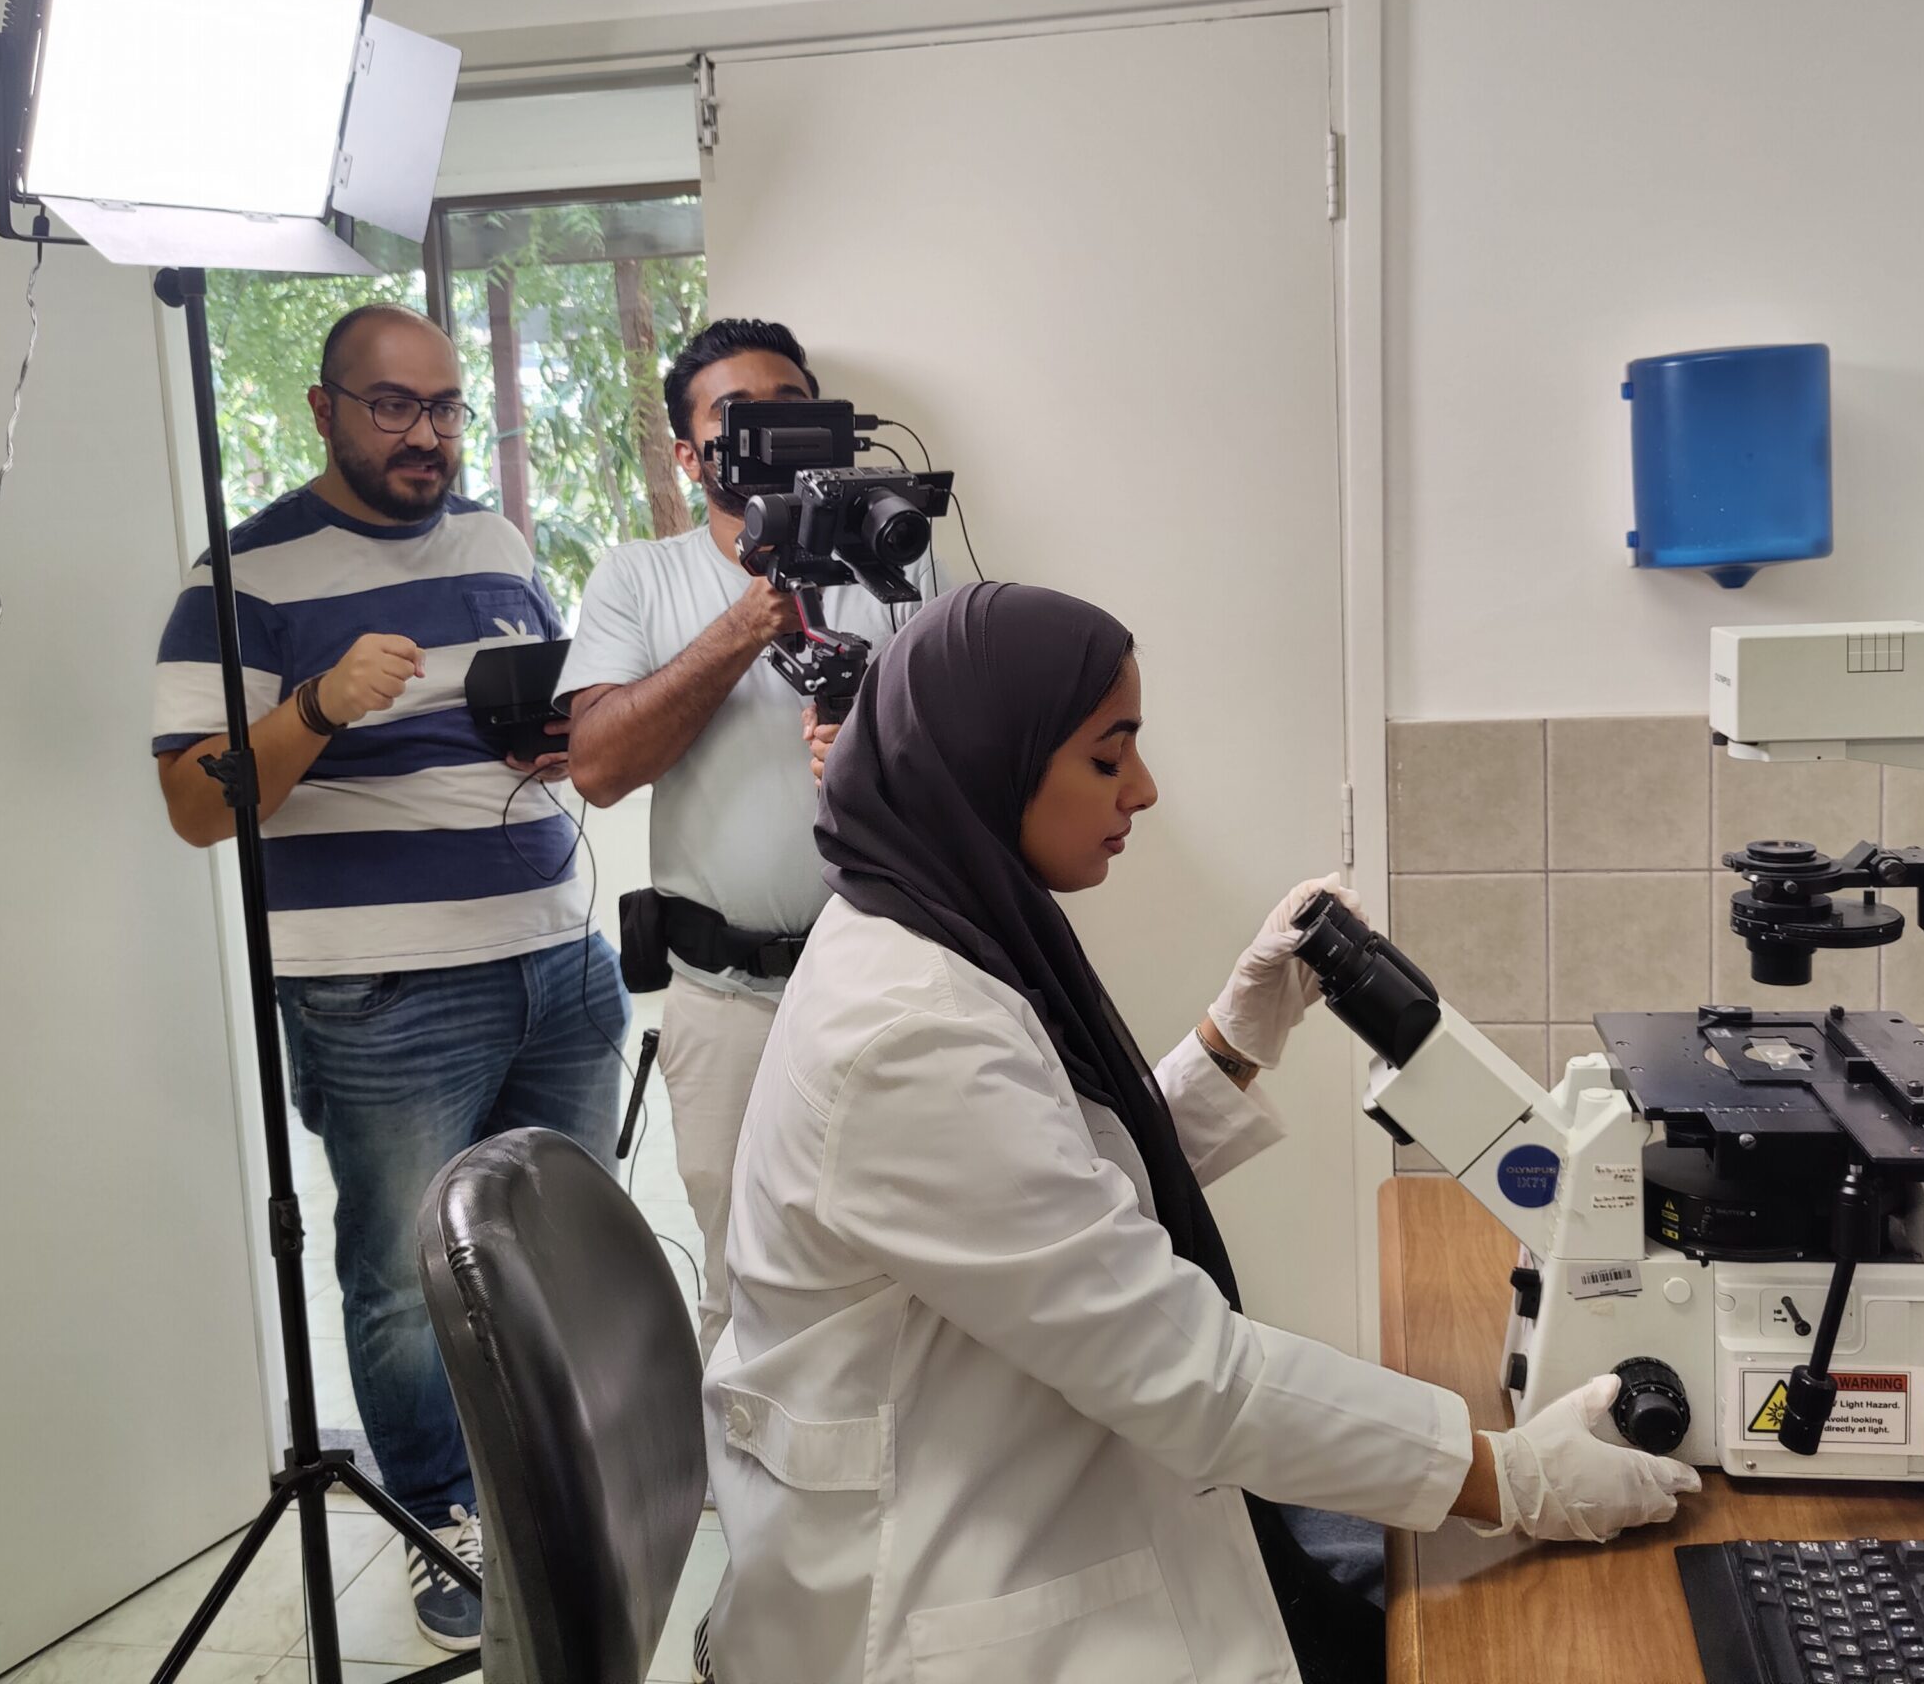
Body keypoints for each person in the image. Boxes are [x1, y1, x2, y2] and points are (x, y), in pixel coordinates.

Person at [702, 582, 1698, 1684]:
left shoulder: (917, 925)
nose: (1144, 789)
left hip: (1012, 1462)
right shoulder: (905, 1031)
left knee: (1391, 1565)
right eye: (1105, 755)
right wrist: (1511, 1478)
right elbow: (1188, 1373)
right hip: (948, 1584)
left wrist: (1235, 1038)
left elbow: (1052, 1196)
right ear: (993, 760)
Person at [151, 303, 628, 1653]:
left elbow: (527, 716)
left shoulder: (493, 542)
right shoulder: (238, 580)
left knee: (560, 1250)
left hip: (555, 957)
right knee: (404, 1275)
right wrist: (312, 709)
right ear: (322, 409)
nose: (423, 435)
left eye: (443, 407)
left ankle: (557, 1489)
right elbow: (194, 805)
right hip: (384, 997)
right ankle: (442, 1516)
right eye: (390, 406)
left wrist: (548, 741)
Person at [559, 316, 917, 1354]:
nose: (777, 432)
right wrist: (750, 617)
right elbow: (599, 765)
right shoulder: (638, 577)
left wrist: (876, 753)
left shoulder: (899, 559)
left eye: (795, 408)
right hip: (727, 1006)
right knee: (743, 1279)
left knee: (905, 1262)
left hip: (885, 984)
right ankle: (764, 1508)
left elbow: (972, 762)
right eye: (741, 414)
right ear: (688, 451)